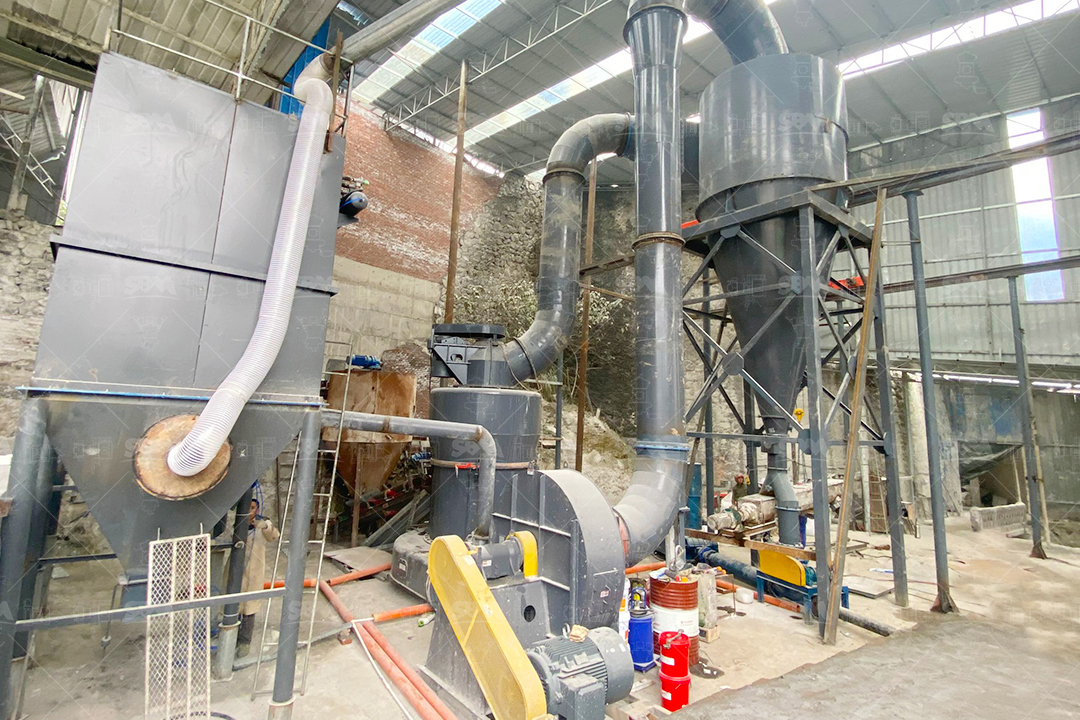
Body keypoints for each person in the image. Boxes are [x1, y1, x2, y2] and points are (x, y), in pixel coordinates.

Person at [237, 497, 280, 657]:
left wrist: (265, 526)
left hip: (254, 572)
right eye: (247, 507)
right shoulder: (239, 524)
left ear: (257, 510)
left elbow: (274, 535)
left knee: (249, 607)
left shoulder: (262, 524)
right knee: (233, 605)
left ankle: (244, 641)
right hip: (237, 570)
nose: (250, 510)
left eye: (253, 507)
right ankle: (231, 636)